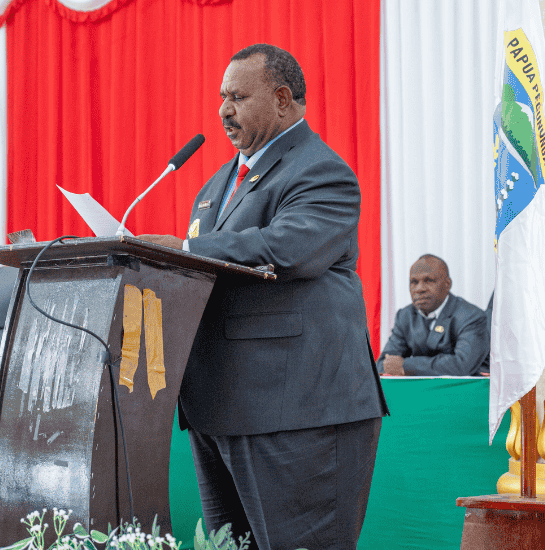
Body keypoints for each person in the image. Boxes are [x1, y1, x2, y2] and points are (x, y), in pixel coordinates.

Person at [138, 44, 388, 550]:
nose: (224, 110)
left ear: (281, 99)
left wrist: (182, 249)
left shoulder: (322, 172)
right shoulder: (216, 185)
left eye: (237, 97)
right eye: (221, 97)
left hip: (297, 411)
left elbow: (286, 249)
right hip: (220, 407)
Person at [378, 254, 490, 377]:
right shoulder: (405, 316)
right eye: (414, 282)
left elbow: (461, 365)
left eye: (428, 281)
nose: (419, 289)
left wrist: (405, 366)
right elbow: (384, 364)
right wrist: (396, 365)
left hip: (463, 388)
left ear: (447, 284)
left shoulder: (471, 316)